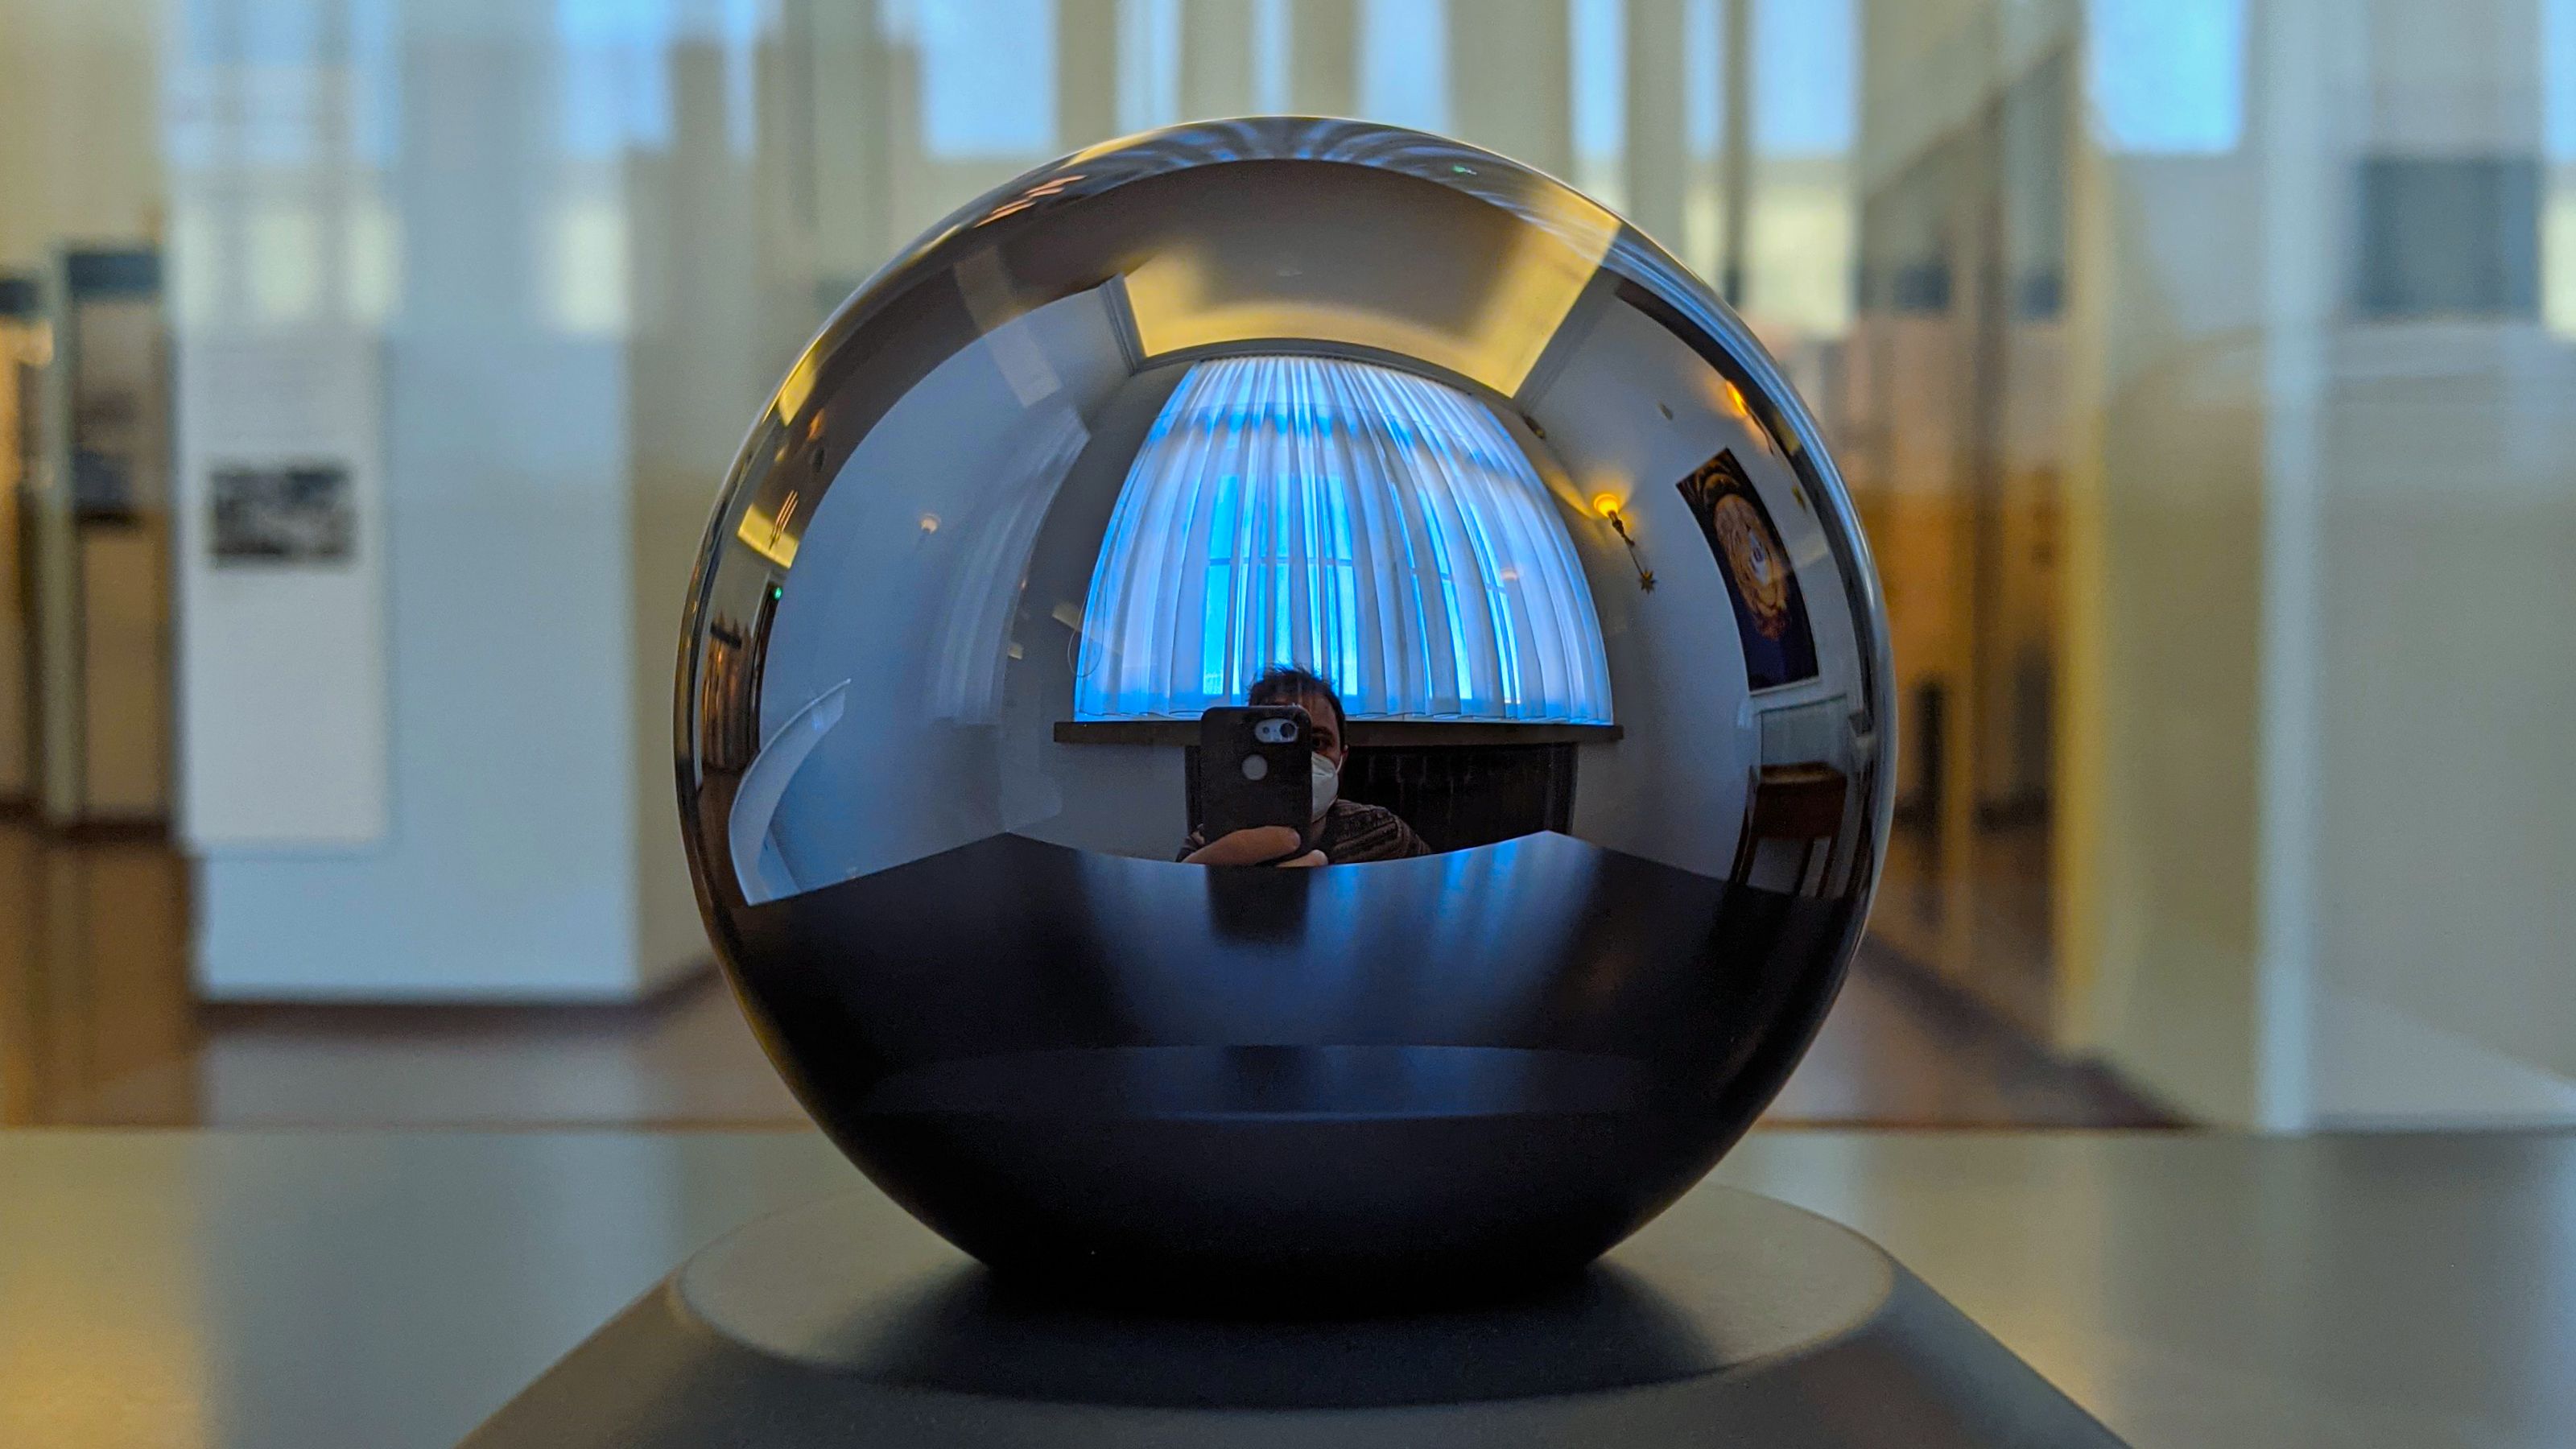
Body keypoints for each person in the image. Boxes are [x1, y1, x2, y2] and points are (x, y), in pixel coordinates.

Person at [1179, 666, 1430, 866]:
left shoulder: (1384, 833)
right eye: (1276, 744)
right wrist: (1197, 890)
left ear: (1342, 759)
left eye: (1318, 742)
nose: (1299, 759)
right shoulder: (1207, 844)